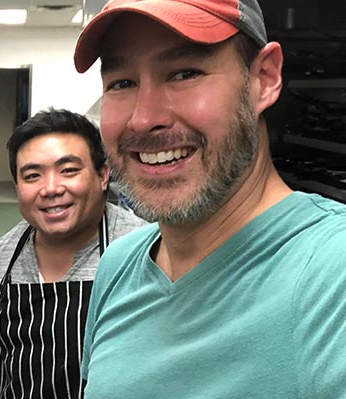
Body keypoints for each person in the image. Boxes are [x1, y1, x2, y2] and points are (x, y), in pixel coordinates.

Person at [73, 0, 346, 397]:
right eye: (122, 83)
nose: (144, 118)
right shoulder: (119, 266)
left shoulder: (331, 274)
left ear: (264, 79)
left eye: (185, 73)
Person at [0, 108, 146, 399]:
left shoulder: (141, 250)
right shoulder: (6, 252)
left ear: (103, 176)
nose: (50, 188)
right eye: (33, 175)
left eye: (68, 171)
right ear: (17, 187)